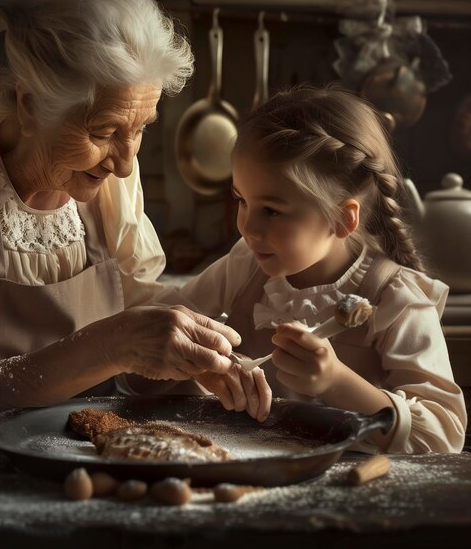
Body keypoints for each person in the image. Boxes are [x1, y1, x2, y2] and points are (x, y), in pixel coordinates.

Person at [0, 0, 271, 436]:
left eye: (141, 128)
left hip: (80, 450)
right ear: (28, 104)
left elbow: (136, 339)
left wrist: (190, 359)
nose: (124, 164)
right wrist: (111, 344)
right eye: (104, 132)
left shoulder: (107, 174)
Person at [150, 85, 467, 454]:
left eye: (271, 210)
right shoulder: (244, 265)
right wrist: (210, 364)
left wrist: (335, 381)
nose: (247, 228)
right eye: (241, 201)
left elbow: (442, 437)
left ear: (341, 219)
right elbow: (154, 339)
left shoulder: (397, 298)